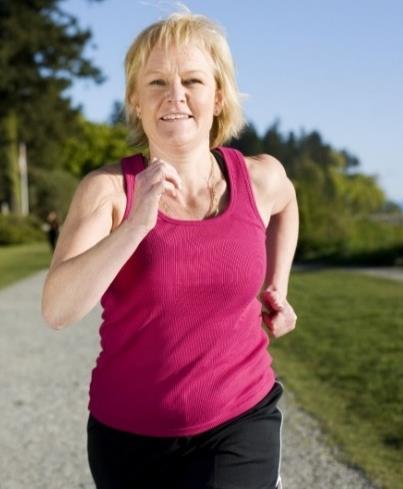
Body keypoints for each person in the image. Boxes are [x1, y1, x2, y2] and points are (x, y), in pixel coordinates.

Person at [41, 8, 299, 489]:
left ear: (218, 96)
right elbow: (57, 309)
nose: (175, 96)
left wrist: (277, 288)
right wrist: (135, 224)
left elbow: (287, 203)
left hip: (240, 418)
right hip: (129, 438)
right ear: (136, 101)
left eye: (193, 81)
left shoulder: (258, 177)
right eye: (156, 82)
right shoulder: (107, 190)